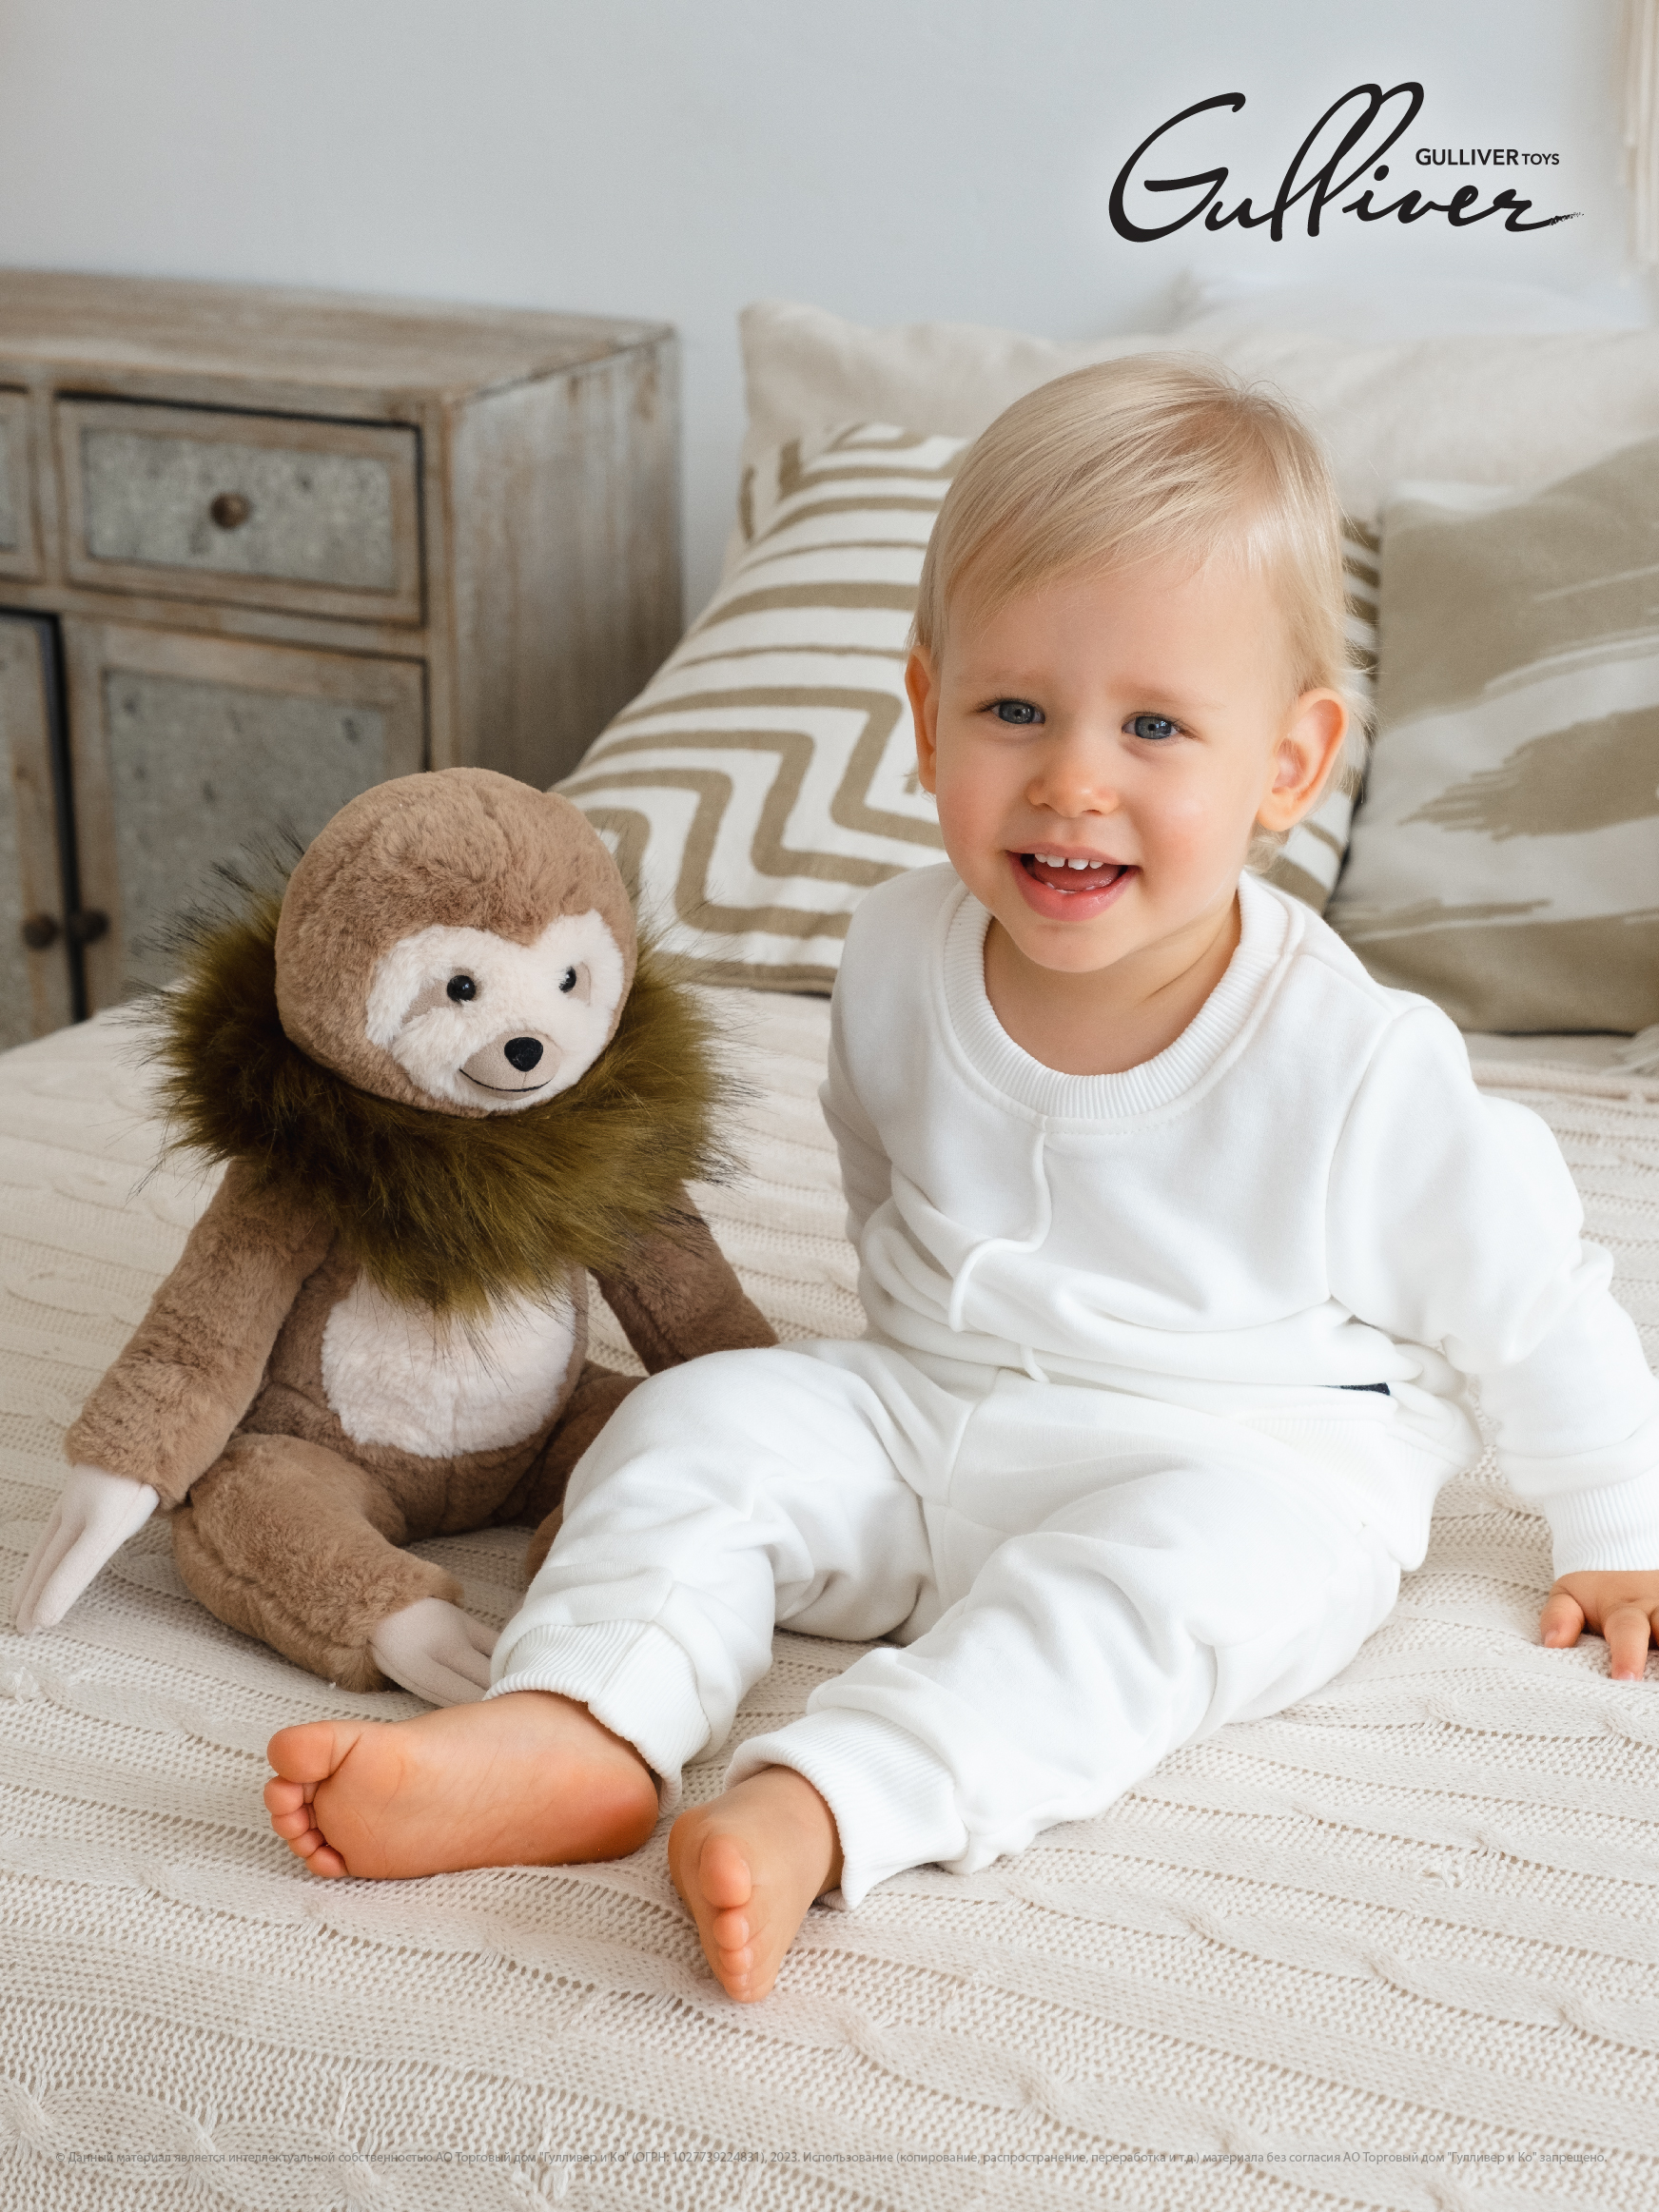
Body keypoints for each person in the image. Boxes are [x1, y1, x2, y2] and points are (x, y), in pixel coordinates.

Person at [263, 358, 1659, 2003]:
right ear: (927, 719)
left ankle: (825, 1802)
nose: (1074, 778)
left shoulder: (1354, 1061)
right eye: (1016, 711)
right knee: (695, 1427)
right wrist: (871, 1412)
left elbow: (1534, 1296)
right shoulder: (890, 954)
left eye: (1154, 726)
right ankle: (584, 1723)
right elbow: (889, 1192)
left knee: (1151, 1603)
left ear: (1288, 766)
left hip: (1241, 1449)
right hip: (936, 1408)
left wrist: (1619, 1521)